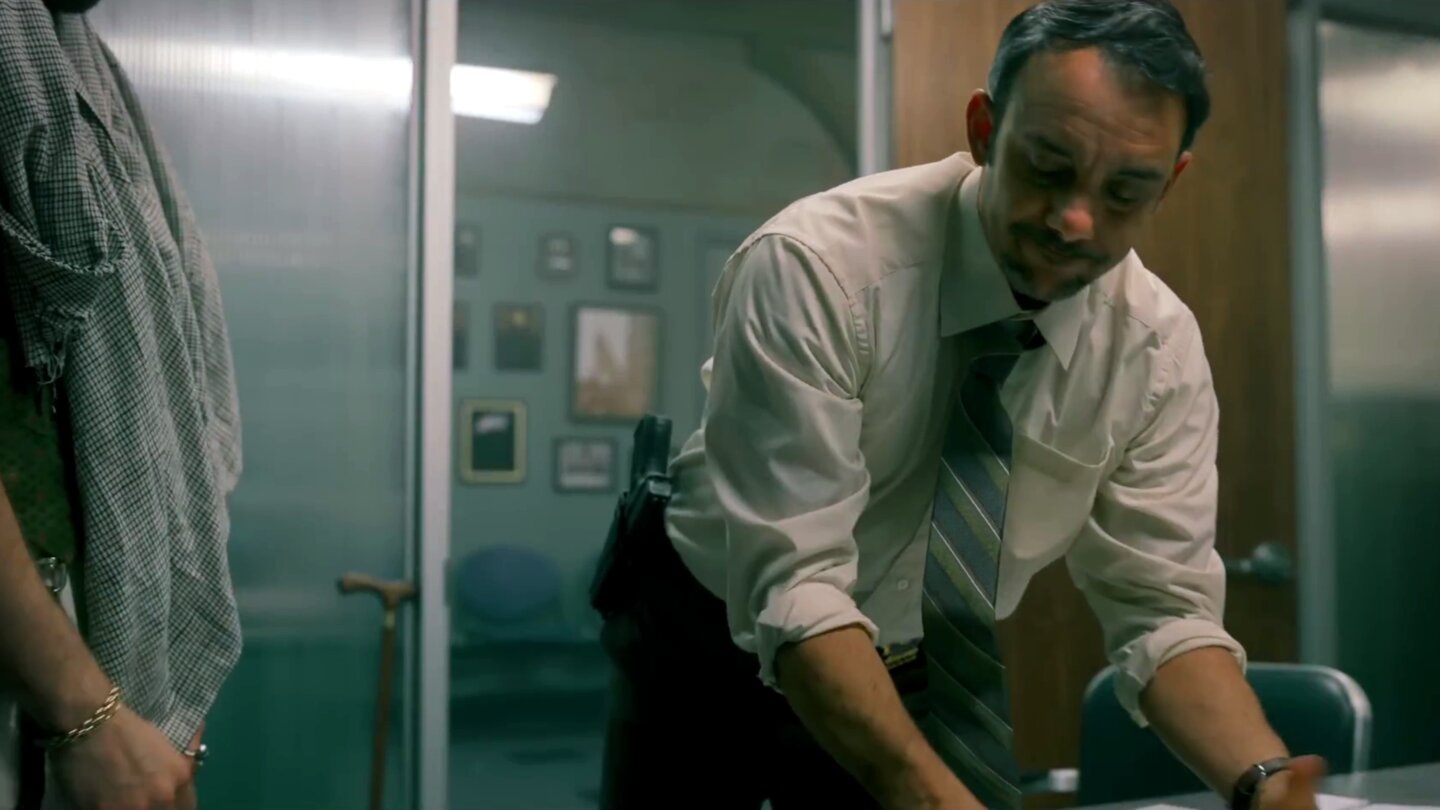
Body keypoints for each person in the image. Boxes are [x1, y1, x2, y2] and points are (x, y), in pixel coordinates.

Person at [598, 2, 1324, 808]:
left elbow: (1165, 613)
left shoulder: (1155, 351)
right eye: (1047, 168)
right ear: (985, 130)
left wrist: (1263, 782)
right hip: (704, 642)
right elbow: (795, 591)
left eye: (1125, 192)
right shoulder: (818, 269)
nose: (1076, 221)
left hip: (901, 657)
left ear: (1171, 181)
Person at [0, 1, 244, 808]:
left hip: (73, 670)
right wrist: (90, 718)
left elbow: (159, 397)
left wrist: (147, 706)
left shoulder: (83, 71)